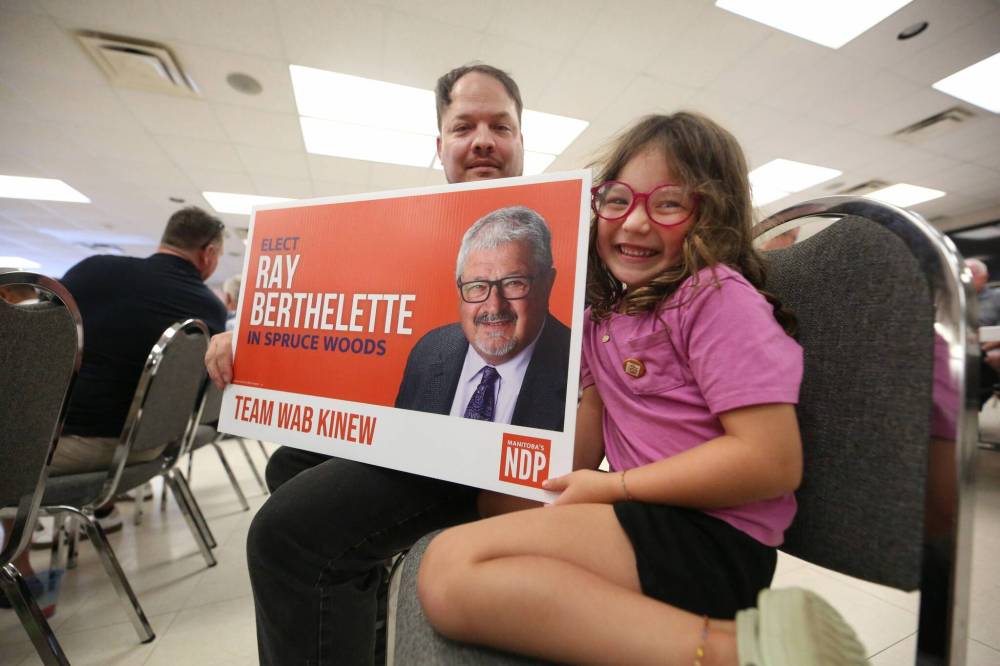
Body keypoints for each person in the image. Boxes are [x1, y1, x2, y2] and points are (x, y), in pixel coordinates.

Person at [417, 113, 867, 665]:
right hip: (656, 519)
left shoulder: (716, 297)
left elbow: (771, 460)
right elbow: (585, 448)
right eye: (618, 199)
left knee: (448, 570)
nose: (633, 223)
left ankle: (746, 652)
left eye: (669, 203)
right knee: (490, 510)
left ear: (713, 216)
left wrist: (614, 488)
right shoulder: (606, 317)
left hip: (712, 541)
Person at [230, 63, 541, 665]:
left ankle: (343, 595)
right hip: (419, 431)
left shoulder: (562, 231)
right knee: (289, 465)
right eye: (463, 126)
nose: (482, 139)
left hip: (494, 453)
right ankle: (362, 630)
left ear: (522, 141)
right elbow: (327, 318)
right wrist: (239, 336)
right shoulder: (408, 235)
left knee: (285, 536)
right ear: (441, 146)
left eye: (500, 126)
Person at [2, 206, 228, 614]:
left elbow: (37, 351)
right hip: (146, 447)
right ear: (209, 254)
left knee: (15, 437)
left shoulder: (94, 271)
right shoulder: (207, 311)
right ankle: (100, 511)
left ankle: (17, 567)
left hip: (68, 446)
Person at [396, 206, 569, 430]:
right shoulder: (428, 350)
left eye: (514, 283)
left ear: (548, 284)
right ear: (459, 290)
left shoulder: (580, 366)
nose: (495, 306)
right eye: (477, 286)